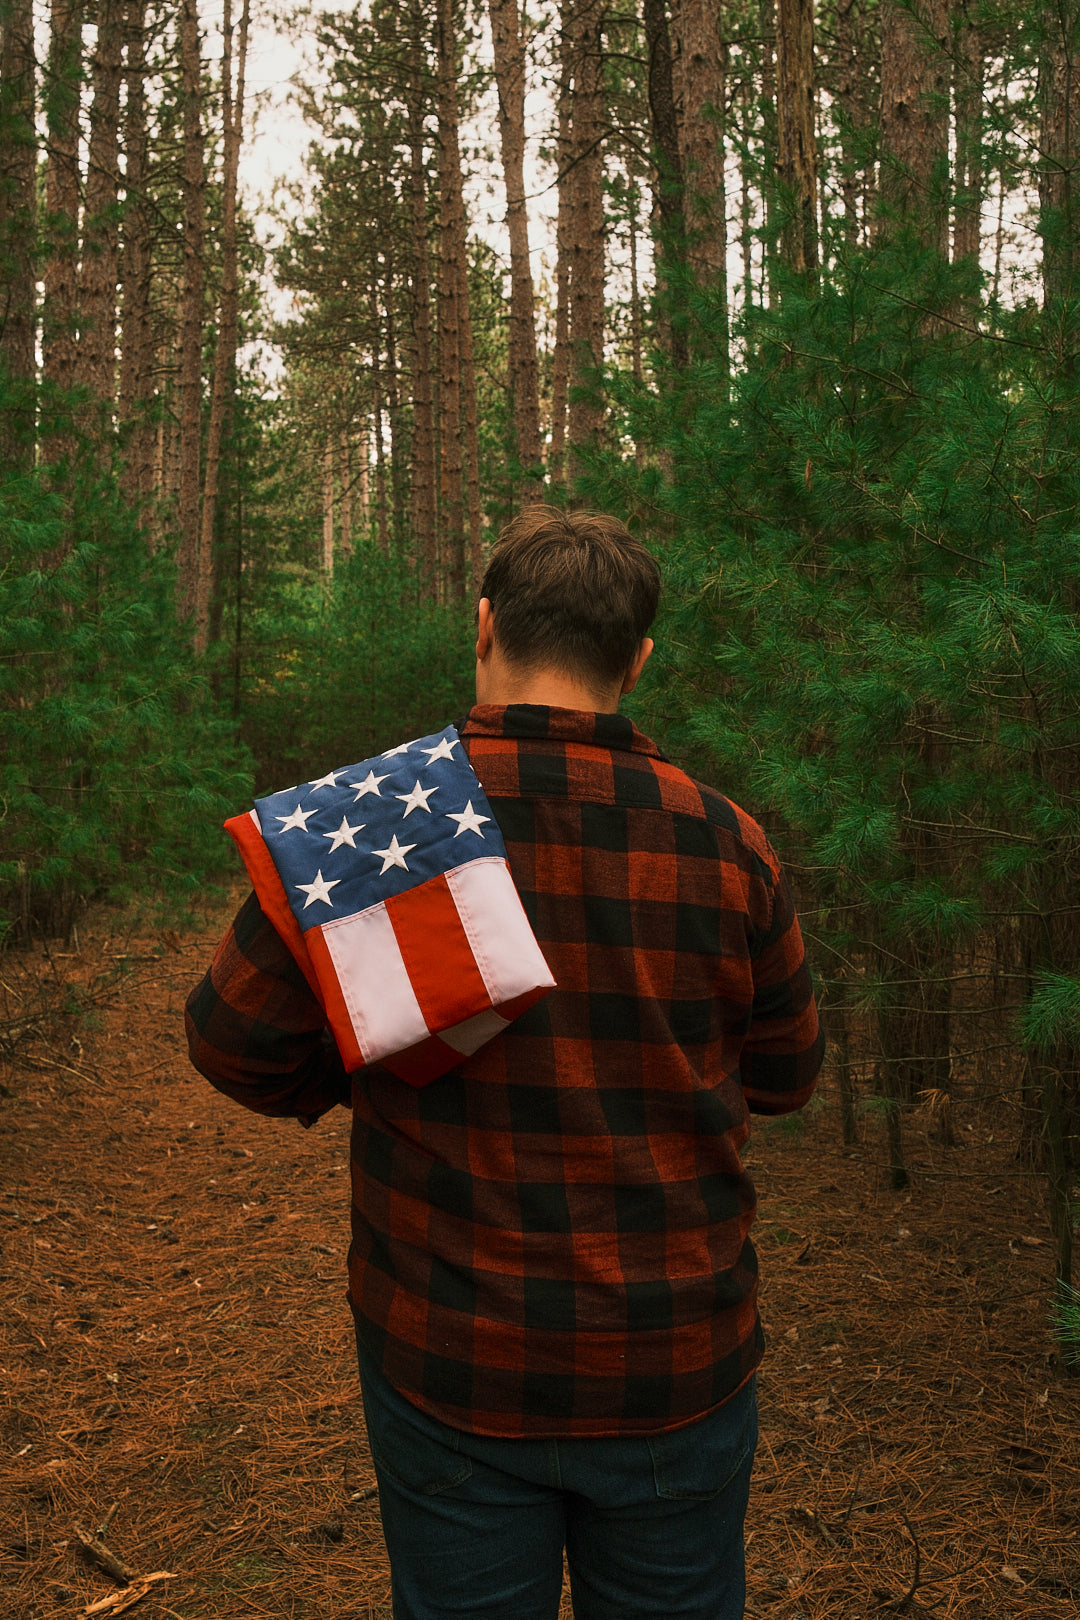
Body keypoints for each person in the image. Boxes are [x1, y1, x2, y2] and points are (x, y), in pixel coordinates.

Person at [186, 505, 824, 1620]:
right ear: (638, 658)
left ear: (483, 628)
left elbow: (228, 1039)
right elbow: (786, 1077)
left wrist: (374, 1044)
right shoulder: (729, 842)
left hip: (451, 1355)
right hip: (675, 1363)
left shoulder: (377, 821)